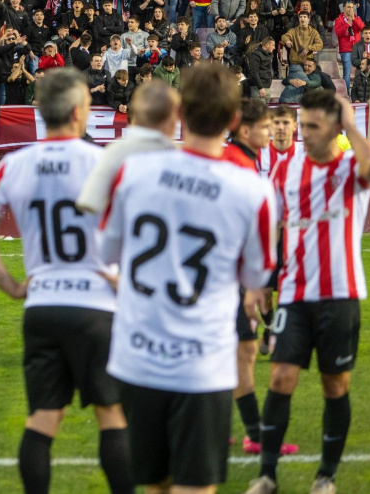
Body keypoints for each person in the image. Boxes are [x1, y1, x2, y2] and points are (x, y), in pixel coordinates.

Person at [100, 62, 277, 494]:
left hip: (137, 356)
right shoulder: (253, 190)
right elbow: (257, 278)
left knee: (154, 485)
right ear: (235, 121)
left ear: (179, 113)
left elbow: (107, 257)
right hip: (202, 364)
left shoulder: (133, 171)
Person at [0, 67, 134, 494]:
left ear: (40, 111)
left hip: (42, 305)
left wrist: (14, 286)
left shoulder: (14, 165)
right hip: (97, 307)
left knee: (42, 419)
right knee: (112, 415)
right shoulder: (107, 163)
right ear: (80, 111)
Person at [245, 91, 370, 494]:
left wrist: (351, 125)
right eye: (301, 125)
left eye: (312, 126)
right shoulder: (285, 172)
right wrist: (259, 280)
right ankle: (267, 475)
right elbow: (269, 226)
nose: (303, 134)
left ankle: (325, 476)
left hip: (340, 294)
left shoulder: (349, 167)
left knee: (334, 385)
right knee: (281, 377)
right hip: (293, 292)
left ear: (335, 128)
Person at [223, 99, 300, 458]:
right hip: (228, 274)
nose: (271, 132)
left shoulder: (237, 161)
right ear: (245, 130)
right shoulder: (238, 167)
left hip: (227, 271)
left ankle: (217, 424)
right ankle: (250, 434)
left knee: (239, 350)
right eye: (266, 126)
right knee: (241, 350)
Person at [77, 79, 179, 217]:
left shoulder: (114, 152)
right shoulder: (182, 159)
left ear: (134, 118)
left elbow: (88, 204)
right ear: (173, 123)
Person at [254, 104, 302, 354]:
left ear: (295, 126)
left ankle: (282, 333)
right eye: (277, 123)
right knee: (264, 289)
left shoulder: (303, 156)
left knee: (291, 286)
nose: (281, 128)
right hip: (266, 233)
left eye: (286, 123)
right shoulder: (260, 155)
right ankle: (270, 325)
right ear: (270, 127)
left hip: (295, 232)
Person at [334, 0, 363, 94]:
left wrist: (353, 20)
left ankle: (358, 93)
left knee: (360, 73)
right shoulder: (338, 20)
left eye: (352, 7)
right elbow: (338, 32)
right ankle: (347, 94)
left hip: (357, 48)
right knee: (347, 74)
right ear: (344, 8)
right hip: (346, 49)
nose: (350, 9)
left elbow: (362, 28)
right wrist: (347, 23)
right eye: (348, 7)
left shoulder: (357, 18)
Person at [247, 37, 275, 103]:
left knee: (265, 112)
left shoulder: (270, 55)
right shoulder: (255, 56)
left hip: (267, 87)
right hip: (258, 88)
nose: (274, 48)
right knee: (260, 112)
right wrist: (260, 88)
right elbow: (254, 72)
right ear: (267, 45)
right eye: (273, 45)